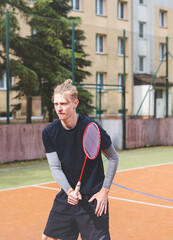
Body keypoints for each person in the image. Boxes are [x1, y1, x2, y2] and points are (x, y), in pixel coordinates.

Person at [41, 79, 119, 240]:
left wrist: (104, 191)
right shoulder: (49, 132)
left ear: (75, 103)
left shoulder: (92, 127)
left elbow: (113, 157)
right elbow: (55, 167)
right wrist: (69, 191)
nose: (59, 108)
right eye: (56, 104)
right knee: (48, 238)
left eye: (63, 103)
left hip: (93, 198)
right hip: (68, 196)